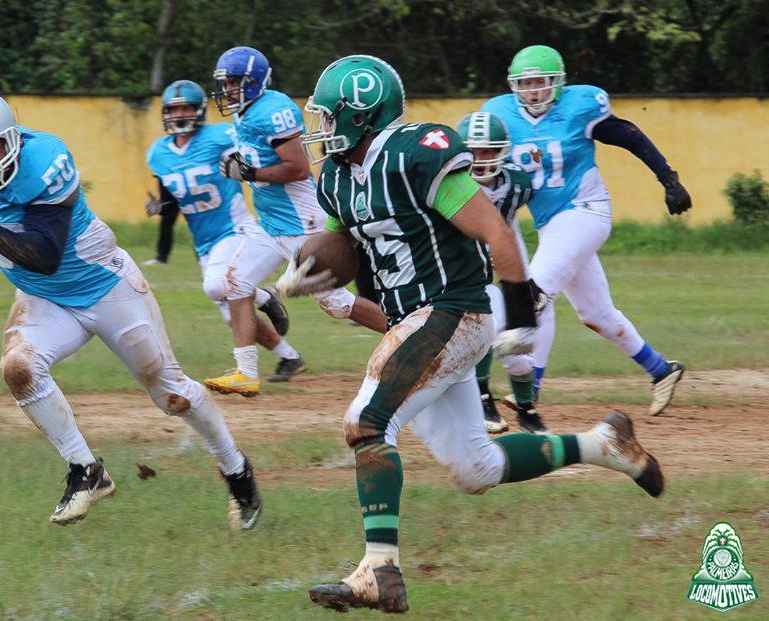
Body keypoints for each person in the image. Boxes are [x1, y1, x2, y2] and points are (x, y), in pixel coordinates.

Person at [278, 54, 665, 614]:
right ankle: (603, 444)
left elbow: (495, 232)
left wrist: (522, 314)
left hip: (453, 311)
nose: (320, 126)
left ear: (361, 114)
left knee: (367, 422)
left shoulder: (413, 154)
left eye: (328, 114)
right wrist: (312, 272)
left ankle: (379, 569)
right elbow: (345, 249)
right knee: (475, 468)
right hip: (417, 321)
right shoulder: (338, 177)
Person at [0, 90, 261, 529]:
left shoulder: (44, 162)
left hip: (104, 287)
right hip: (43, 296)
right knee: (18, 368)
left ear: (14, 138)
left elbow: (45, 255)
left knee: (172, 395)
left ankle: (237, 470)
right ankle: (87, 472)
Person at [482, 44, 690, 418]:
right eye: (525, 84)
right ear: (513, 85)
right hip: (551, 224)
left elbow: (629, 135)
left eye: (541, 83)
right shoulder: (501, 114)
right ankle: (661, 369)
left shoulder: (579, 107)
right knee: (596, 313)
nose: (533, 91)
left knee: (532, 295)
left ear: (558, 83)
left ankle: (530, 388)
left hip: (585, 211)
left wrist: (668, 179)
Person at [204, 46, 368, 397]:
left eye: (234, 82)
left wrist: (250, 173)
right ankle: (246, 372)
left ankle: (411, 337)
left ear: (252, 81)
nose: (227, 89)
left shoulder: (273, 111)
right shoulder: (245, 112)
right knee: (235, 284)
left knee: (337, 304)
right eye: (225, 82)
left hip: (301, 221)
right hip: (270, 223)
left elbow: (296, 168)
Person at [144, 79, 304, 387]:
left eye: (186, 107)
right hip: (204, 241)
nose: (180, 114)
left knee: (217, 286)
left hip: (235, 229)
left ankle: (263, 296)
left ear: (199, 110)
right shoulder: (158, 153)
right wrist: (159, 207)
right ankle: (290, 356)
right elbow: (172, 199)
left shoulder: (221, 136)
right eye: (174, 109)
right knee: (234, 315)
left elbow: (258, 152)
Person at [456, 110, 545, 434]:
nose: (481, 159)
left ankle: (527, 408)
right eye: (474, 151)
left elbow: (509, 229)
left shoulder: (517, 184)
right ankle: (482, 398)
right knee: (488, 328)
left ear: (503, 151)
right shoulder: (449, 184)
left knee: (517, 345)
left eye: (489, 151)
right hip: (462, 271)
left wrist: (525, 279)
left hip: (498, 263)